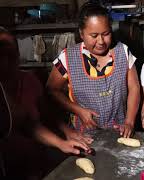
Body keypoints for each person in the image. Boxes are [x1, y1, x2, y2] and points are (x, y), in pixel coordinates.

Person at [0, 28, 92, 179]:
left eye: (11, 53)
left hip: (35, 164)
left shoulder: (29, 81)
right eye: (2, 54)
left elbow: (31, 123)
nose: (7, 60)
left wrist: (63, 139)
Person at [46, 3, 140, 137]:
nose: (101, 41)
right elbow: (51, 90)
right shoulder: (68, 57)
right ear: (82, 34)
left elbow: (134, 87)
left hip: (120, 132)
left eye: (106, 34)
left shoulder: (122, 52)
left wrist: (129, 121)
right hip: (83, 136)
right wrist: (78, 110)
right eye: (94, 35)